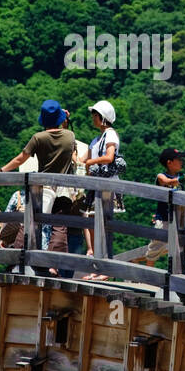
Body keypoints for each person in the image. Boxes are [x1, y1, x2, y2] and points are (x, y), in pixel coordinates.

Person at [0, 99, 76, 230]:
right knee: (59, 228)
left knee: (35, 225)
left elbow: (20, 159)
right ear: (60, 119)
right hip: (64, 190)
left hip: (43, 188)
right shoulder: (70, 136)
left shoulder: (38, 138)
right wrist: (64, 118)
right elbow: (66, 134)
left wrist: (1, 170)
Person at [143, 148, 185, 275]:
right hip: (164, 219)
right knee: (154, 249)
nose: (181, 162)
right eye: (178, 159)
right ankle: (146, 276)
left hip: (180, 220)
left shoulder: (179, 179)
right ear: (169, 162)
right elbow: (166, 182)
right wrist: (183, 179)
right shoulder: (161, 176)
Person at [83, 101, 122, 264]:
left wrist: (90, 163)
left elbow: (109, 157)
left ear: (102, 117)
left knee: (102, 223)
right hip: (96, 185)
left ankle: (103, 262)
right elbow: (82, 160)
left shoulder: (111, 134)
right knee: (90, 218)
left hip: (106, 185)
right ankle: (95, 257)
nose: (93, 118)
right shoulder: (96, 138)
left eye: (95, 115)